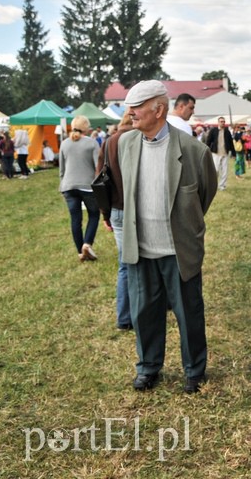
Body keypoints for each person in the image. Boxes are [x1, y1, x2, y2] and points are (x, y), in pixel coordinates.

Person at [118, 80, 217, 393]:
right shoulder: (126, 144)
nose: (130, 114)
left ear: (158, 109)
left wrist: (184, 224)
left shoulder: (193, 150)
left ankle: (194, 371)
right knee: (144, 311)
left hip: (178, 250)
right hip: (141, 249)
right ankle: (148, 368)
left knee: (189, 313)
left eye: (137, 108)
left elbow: (205, 193)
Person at [97, 112, 135, 331]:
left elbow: (100, 179)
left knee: (125, 264)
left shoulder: (110, 141)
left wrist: (105, 215)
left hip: (117, 210)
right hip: (138, 210)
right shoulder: (141, 138)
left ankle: (124, 317)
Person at [59, 115, 100, 261]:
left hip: (68, 185)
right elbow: (98, 167)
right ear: (86, 128)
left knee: (75, 219)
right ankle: (87, 244)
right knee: (94, 215)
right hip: (87, 186)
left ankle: (80, 251)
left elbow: (62, 169)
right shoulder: (92, 143)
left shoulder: (64, 144)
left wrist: (61, 185)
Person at [204, 116, 233, 190]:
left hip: (225, 153)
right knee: (215, 170)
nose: (223, 123)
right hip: (216, 153)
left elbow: (231, 142)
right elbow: (208, 141)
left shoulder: (227, 131)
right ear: (218, 122)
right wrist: (206, 150)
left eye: (224, 121)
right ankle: (213, 185)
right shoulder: (213, 130)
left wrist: (233, 153)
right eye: (221, 121)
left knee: (224, 170)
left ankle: (222, 185)